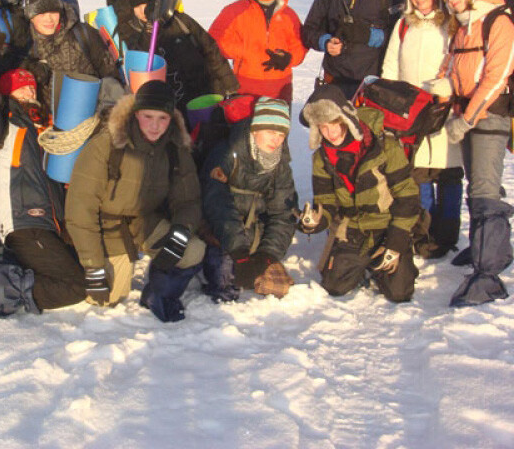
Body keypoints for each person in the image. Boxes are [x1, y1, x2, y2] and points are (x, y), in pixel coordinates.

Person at [65, 80, 206, 322]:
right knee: (109, 297)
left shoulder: (175, 147)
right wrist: (93, 265)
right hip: (107, 225)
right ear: (135, 113)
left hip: (145, 221)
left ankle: (158, 290)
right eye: (147, 116)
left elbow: (188, 200)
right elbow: (80, 210)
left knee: (193, 251)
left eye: (162, 118)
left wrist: (180, 232)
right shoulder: (106, 145)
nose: (155, 126)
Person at [0, 68, 86, 316]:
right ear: (8, 93)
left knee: (84, 271)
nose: (29, 89)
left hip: (50, 225)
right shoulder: (4, 125)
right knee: (77, 287)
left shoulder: (45, 128)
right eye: (21, 86)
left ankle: (7, 271)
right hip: (23, 223)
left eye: (31, 85)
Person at [432, 0, 514, 306]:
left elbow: (496, 76)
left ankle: (488, 275)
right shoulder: (462, 28)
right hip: (465, 115)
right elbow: (451, 68)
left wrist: (467, 119)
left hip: (489, 117)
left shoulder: (498, 22)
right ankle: (483, 246)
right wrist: (439, 88)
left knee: (484, 190)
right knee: (477, 185)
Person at [299, 84, 420, 302]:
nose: (330, 133)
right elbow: (326, 200)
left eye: (334, 124)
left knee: (399, 293)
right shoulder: (321, 158)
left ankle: (397, 256)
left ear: (345, 119)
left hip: (387, 227)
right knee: (334, 286)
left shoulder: (384, 147)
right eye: (323, 127)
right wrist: (316, 221)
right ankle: (365, 264)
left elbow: (407, 195)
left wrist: (396, 241)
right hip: (352, 229)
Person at [381, 0, 463, 259]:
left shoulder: (450, 24)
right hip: (410, 112)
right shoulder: (404, 25)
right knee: (417, 174)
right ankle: (423, 233)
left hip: (444, 109)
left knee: (449, 173)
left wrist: (446, 91)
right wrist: (391, 99)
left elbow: (460, 63)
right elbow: (391, 65)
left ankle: (447, 232)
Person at [201, 97, 299, 301]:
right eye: (270, 132)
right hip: (222, 232)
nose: (276, 140)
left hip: (256, 233)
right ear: (255, 130)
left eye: (281, 134)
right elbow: (217, 204)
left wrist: (267, 255)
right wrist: (239, 251)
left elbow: (284, 211)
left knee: (277, 287)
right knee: (225, 285)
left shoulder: (279, 163)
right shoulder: (228, 153)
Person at [118, 0, 238, 116]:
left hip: (204, 91)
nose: (141, 11)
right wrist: (148, 31)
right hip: (169, 105)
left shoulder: (180, 21)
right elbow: (142, 62)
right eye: (136, 7)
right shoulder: (132, 31)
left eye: (145, 4)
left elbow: (210, 49)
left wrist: (230, 85)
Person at [209, 0, 308, 103]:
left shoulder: (288, 14)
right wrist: (246, 51)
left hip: (280, 89)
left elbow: (301, 45)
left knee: (276, 126)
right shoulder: (234, 11)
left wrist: (289, 58)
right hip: (245, 88)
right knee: (246, 127)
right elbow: (213, 41)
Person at [20, 0, 122, 112]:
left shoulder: (83, 34)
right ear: (31, 17)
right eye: (41, 14)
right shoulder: (24, 43)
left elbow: (110, 75)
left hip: (91, 116)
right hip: (50, 121)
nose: (49, 19)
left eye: (53, 12)